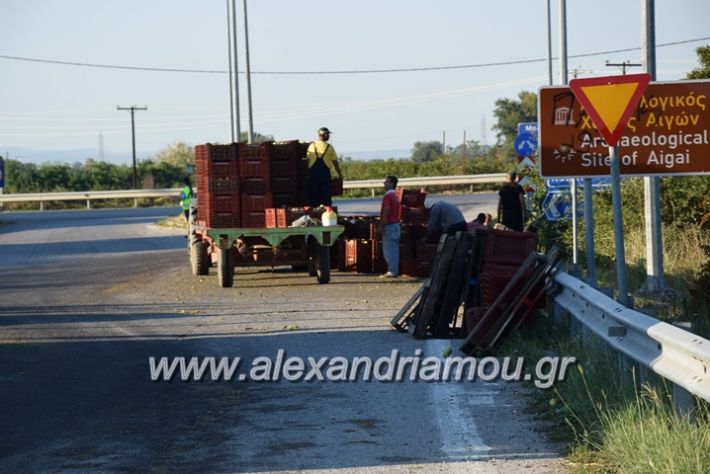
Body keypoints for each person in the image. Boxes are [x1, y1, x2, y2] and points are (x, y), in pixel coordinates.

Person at [306, 127, 343, 207]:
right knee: (326, 196)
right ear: (325, 135)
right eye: (328, 135)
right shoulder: (330, 147)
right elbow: (335, 163)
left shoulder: (312, 145)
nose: (329, 136)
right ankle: (327, 213)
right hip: (324, 175)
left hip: (313, 175)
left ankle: (314, 213)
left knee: (313, 195)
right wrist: (340, 175)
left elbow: (307, 160)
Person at [378, 176, 401, 278]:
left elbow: (386, 211)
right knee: (394, 248)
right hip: (396, 224)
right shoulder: (395, 196)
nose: (384, 183)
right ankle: (394, 269)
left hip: (390, 225)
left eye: (386, 182)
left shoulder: (388, 196)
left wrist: (381, 225)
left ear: (391, 183)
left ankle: (392, 271)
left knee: (389, 249)